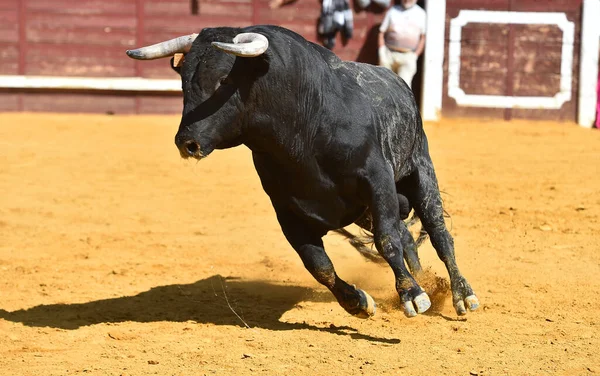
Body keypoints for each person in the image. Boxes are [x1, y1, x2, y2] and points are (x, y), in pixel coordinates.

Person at [378, 0, 426, 88]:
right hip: (389, 54)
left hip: (408, 55)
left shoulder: (421, 14)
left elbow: (423, 37)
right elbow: (381, 32)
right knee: (384, 86)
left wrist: (415, 55)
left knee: (404, 87)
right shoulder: (392, 11)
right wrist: (382, 51)